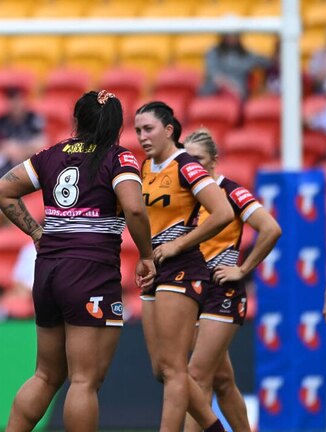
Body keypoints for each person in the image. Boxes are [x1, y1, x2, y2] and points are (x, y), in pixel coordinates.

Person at [0, 90, 156, 431]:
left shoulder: (50, 155)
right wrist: (146, 255)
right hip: (90, 272)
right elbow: (136, 208)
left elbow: (2, 191)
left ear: (77, 121)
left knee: (46, 375)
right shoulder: (119, 159)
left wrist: (37, 234)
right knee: (84, 380)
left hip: (49, 270)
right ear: (115, 126)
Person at [134, 101, 234, 432]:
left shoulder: (186, 166)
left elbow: (222, 212)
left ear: (169, 130)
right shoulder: (144, 168)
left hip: (183, 267)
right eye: (137, 131)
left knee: (175, 368)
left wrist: (178, 244)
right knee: (160, 369)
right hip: (154, 270)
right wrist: (145, 254)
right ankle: (214, 428)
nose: (142, 137)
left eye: (148, 129)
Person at [182, 129, 282, 432]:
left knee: (196, 376)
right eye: (187, 160)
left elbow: (270, 229)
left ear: (214, 160)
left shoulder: (232, 192)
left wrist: (243, 268)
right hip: (191, 292)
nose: (192, 167)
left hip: (222, 291)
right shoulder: (183, 196)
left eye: (198, 159)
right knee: (222, 380)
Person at [199, 32, 271, 100]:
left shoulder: (246, 55)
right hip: (215, 91)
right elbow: (214, 74)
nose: (231, 36)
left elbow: (268, 62)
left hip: (238, 95)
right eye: (228, 33)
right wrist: (230, 86)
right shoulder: (214, 52)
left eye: (234, 34)